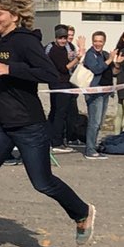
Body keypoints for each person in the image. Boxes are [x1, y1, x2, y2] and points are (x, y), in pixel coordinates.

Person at [0, 0, 96, 247]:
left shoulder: (25, 41)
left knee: (42, 182)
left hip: (28, 123)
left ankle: (81, 212)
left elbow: (49, 73)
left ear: (15, 14)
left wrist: (12, 69)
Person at [82, 32, 119, 159]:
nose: (98, 44)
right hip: (94, 92)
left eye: (100, 41)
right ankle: (90, 150)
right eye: (95, 41)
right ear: (92, 41)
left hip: (105, 92)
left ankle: (93, 145)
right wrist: (109, 60)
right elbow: (96, 69)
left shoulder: (105, 54)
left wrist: (117, 62)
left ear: (104, 42)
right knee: (94, 122)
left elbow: (112, 71)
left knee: (100, 122)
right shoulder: (90, 54)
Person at [45, 25, 82, 153]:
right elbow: (64, 68)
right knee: (59, 113)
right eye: (60, 38)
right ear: (56, 38)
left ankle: (51, 138)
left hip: (63, 83)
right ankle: (57, 142)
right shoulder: (54, 50)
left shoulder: (66, 48)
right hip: (59, 83)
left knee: (57, 112)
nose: (63, 41)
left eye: (65, 38)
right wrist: (77, 59)